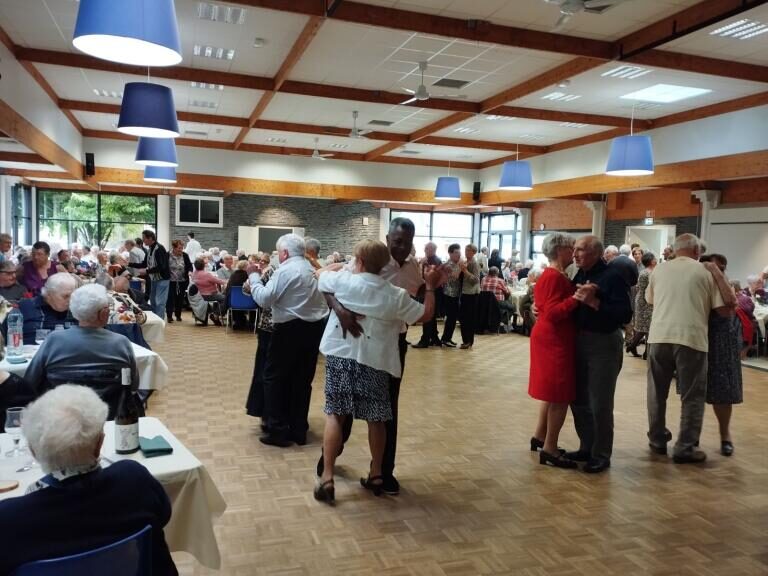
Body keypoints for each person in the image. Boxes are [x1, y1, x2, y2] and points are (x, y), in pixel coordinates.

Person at [313, 239, 444, 504]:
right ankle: (376, 475)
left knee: (336, 416)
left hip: (341, 357)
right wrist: (429, 286)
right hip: (376, 361)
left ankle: (327, 478)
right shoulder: (395, 295)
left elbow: (319, 275)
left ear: (358, 261)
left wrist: (342, 269)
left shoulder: (344, 282)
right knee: (377, 419)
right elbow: (427, 314)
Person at [0, 385, 177, 575]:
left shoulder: (9, 519)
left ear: (34, 452)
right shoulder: (134, 479)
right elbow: (164, 515)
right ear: (99, 445)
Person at [645, 234, 733, 463]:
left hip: (658, 336)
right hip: (691, 338)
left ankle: (656, 440)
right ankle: (685, 447)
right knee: (692, 395)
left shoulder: (659, 270)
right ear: (696, 251)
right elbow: (724, 310)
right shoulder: (704, 272)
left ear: (674, 250)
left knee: (656, 393)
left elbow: (650, 300)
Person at [248, 234, 328, 447]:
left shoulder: (286, 270)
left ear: (284, 253)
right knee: (302, 380)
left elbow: (265, 299)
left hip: (288, 329)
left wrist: (254, 277)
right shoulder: (315, 270)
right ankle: (298, 428)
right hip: (314, 329)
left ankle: (277, 429)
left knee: (274, 377)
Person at [564, 236, 633, 473]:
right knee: (579, 398)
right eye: (574, 250)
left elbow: (624, 315)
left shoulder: (612, 276)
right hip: (580, 341)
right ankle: (587, 446)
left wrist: (596, 303)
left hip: (604, 343)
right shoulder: (581, 274)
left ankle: (602, 454)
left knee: (600, 402)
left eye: (580, 250)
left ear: (595, 253)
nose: (574, 254)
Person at [23, 283, 140, 418]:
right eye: (108, 308)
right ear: (103, 313)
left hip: (61, 419)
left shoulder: (53, 341)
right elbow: (133, 386)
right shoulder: (120, 343)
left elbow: (30, 381)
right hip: (107, 419)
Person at [529, 233, 581, 468]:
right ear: (560, 250)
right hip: (554, 339)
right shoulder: (553, 276)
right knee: (560, 395)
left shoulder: (554, 275)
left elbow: (543, 307)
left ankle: (540, 436)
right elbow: (553, 312)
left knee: (552, 392)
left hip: (550, 336)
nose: (574, 252)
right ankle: (550, 448)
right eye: (571, 248)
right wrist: (578, 298)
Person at [699, 254, 742, 457]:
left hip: (722, 341)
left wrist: (716, 271)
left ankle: (725, 436)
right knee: (694, 391)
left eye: (723, 268)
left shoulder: (723, 282)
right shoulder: (698, 281)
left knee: (723, 391)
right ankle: (692, 434)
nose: (720, 271)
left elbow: (730, 304)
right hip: (698, 337)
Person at [245, 255, 276, 419]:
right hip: (278, 326)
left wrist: (254, 277)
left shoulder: (271, 272)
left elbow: (253, 293)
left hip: (269, 326)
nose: (261, 264)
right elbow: (245, 289)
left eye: (263, 261)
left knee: (265, 369)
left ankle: (265, 412)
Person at [16, 273, 78, 344]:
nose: (70, 300)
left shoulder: (77, 311)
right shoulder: (25, 308)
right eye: (66, 296)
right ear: (48, 294)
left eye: (73, 295)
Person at [413, 242, 443, 348]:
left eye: (427, 248)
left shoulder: (434, 261)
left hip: (432, 291)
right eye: (425, 248)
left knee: (427, 315)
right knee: (431, 316)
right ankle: (435, 338)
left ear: (433, 250)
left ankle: (425, 340)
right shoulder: (429, 260)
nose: (425, 250)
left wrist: (422, 264)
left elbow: (428, 276)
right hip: (431, 291)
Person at [627, 252, 657, 358]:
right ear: (651, 261)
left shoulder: (648, 272)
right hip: (645, 302)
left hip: (646, 301)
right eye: (654, 259)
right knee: (644, 328)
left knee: (646, 328)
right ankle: (632, 345)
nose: (656, 260)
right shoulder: (648, 273)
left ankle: (644, 352)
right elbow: (644, 289)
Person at [143, 230, 170, 319]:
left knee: (160, 302)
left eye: (144, 238)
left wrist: (147, 271)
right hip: (154, 279)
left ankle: (159, 322)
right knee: (153, 301)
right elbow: (144, 264)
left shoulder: (159, 248)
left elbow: (162, 267)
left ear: (150, 238)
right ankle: (155, 320)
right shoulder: (150, 249)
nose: (143, 241)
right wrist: (128, 263)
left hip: (163, 278)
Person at [191, 258, 227, 325]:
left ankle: (215, 314)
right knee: (225, 298)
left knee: (219, 297)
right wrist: (227, 281)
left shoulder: (194, 274)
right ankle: (215, 314)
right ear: (204, 265)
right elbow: (219, 281)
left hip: (200, 295)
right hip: (209, 295)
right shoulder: (206, 274)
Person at [458, 244, 480, 350]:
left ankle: (468, 341)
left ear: (473, 252)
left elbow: (476, 280)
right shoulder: (466, 262)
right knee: (463, 317)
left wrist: (465, 271)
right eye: (465, 250)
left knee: (468, 318)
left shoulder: (474, 264)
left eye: (468, 250)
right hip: (464, 293)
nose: (466, 252)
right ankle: (465, 340)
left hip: (471, 294)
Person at [440, 243, 462, 347]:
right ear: (450, 253)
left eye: (459, 252)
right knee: (451, 317)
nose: (459, 254)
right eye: (456, 252)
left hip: (455, 294)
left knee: (453, 318)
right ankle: (445, 338)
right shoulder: (449, 265)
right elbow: (455, 277)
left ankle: (447, 338)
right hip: (449, 294)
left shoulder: (456, 264)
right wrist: (462, 267)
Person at [167, 239, 192, 323]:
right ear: (173, 247)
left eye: (182, 248)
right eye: (179, 248)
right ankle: (169, 316)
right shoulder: (167, 255)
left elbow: (189, 266)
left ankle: (178, 315)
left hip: (182, 281)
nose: (181, 250)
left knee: (180, 299)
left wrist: (190, 271)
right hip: (171, 281)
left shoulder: (185, 255)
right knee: (170, 298)